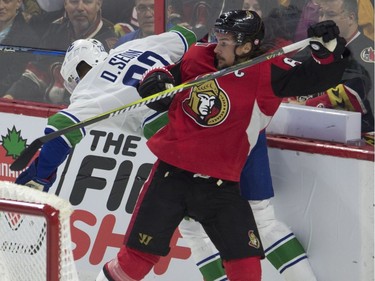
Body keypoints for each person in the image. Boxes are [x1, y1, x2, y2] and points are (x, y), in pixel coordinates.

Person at [96, 11, 348, 281]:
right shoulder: (199, 56)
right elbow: (167, 77)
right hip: (170, 178)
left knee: (247, 269)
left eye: (226, 42)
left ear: (247, 46)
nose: (217, 46)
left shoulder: (269, 73)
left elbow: (319, 77)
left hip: (221, 187)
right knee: (132, 265)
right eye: (218, 38)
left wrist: (327, 50)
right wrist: (156, 80)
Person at [2, 0, 118, 105]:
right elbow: (36, 73)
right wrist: (10, 96)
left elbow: (96, 95)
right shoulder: (55, 30)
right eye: (74, 2)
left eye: (87, 2)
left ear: (98, 4)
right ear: (65, 4)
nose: (80, 8)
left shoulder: (110, 44)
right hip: (45, 111)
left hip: (78, 116)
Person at [289, 0, 374, 133]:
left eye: (330, 14)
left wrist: (306, 106)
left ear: (350, 18)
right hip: (306, 129)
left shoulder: (367, 52)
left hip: (357, 137)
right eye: (321, 14)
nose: (322, 20)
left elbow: (355, 92)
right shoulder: (313, 47)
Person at [0, 0, 40, 95]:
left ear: (18, 3)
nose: (0, 6)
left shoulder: (28, 38)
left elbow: (16, 76)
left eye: (6, 1)